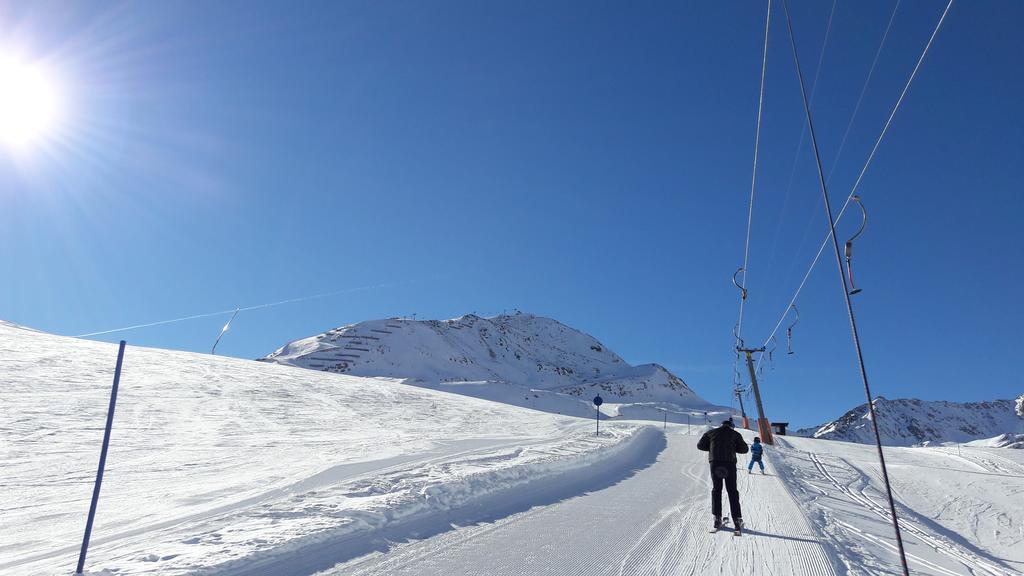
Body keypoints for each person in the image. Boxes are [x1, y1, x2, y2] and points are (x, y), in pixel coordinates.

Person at [697, 419, 748, 530]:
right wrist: (733, 448)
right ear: (731, 426)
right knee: (732, 491)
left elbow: (700, 446)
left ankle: (717, 518)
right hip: (729, 463)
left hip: (715, 463)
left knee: (717, 489)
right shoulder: (735, 434)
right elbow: (745, 449)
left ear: (721, 425)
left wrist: (711, 448)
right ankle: (737, 520)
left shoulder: (710, 433)